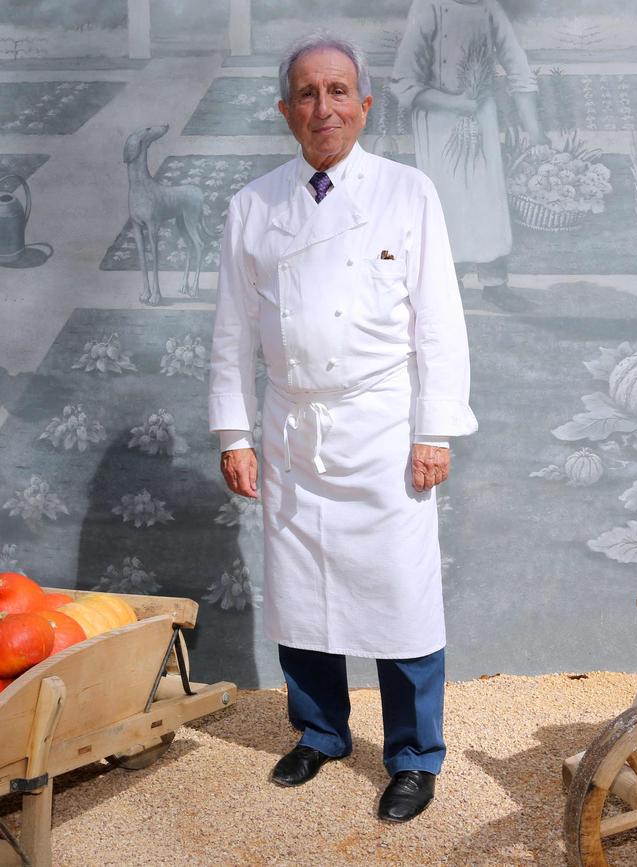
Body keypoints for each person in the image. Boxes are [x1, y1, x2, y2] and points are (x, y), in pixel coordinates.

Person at [209, 32, 477, 823]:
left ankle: (413, 756)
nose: (322, 107)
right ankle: (321, 732)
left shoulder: (407, 192)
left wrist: (435, 430)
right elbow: (229, 333)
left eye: (337, 91)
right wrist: (233, 433)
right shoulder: (252, 205)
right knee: (302, 596)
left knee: (401, 598)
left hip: (383, 429)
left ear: (364, 104)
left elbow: (441, 325)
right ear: (286, 109)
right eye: (305, 93)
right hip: (294, 429)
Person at [391, 0, 548, 313]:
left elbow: (517, 67)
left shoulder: (489, 8)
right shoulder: (428, 7)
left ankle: (495, 283)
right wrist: (454, 104)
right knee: (445, 203)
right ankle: (449, 283)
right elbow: (404, 82)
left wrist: (536, 131)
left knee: (488, 199)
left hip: (481, 117)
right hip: (438, 121)